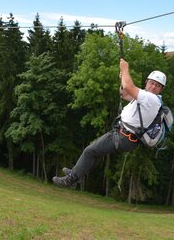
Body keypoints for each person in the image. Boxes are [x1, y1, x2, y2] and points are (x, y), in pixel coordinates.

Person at [52, 58, 167, 188]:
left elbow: (130, 86)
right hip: (122, 134)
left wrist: (124, 69)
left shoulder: (151, 99)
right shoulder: (145, 96)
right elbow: (124, 93)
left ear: (161, 89)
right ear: (147, 82)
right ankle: (76, 173)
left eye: (157, 85)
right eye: (152, 83)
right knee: (95, 152)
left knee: (90, 151)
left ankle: (70, 180)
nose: (153, 87)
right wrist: (123, 79)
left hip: (124, 137)